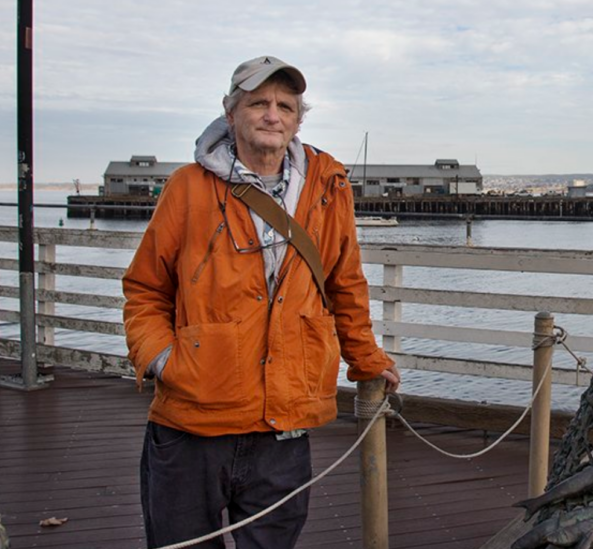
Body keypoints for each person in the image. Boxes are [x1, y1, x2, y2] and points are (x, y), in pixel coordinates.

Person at [123, 55, 400, 548]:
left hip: (285, 421)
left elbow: (346, 285)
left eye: (285, 105)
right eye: (258, 103)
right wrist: (163, 359)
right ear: (231, 113)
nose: (272, 114)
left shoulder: (328, 187)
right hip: (194, 417)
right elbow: (145, 288)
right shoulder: (187, 188)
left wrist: (367, 360)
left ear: (297, 119)